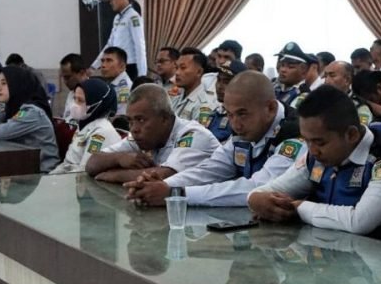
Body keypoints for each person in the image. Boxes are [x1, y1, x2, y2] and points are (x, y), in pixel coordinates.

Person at [247, 85, 381, 241]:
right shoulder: (316, 158)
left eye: (320, 142)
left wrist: (297, 207)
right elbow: (269, 190)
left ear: (351, 135)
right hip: (329, 254)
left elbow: (359, 222)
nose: (312, 150)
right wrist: (256, 199)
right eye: (307, 141)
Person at [124, 71, 303, 206]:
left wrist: (176, 193)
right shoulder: (245, 129)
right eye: (230, 114)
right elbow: (211, 169)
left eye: (242, 114)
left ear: (270, 108)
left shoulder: (295, 134)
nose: (235, 124)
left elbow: (258, 188)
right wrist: (159, 186)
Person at [85, 83, 219, 183]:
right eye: (130, 121)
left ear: (165, 118)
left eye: (141, 120)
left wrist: (114, 175)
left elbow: (165, 176)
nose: (134, 129)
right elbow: (91, 164)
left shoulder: (192, 134)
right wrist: (119, 158)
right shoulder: (142, 137)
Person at [50, 79, 121, 174]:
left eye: (80, 100)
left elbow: (85, 172)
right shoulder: (84, 125)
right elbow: (68, 163)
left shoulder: (102, 132)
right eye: (75, 98)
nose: (74, 104)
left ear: (96, 104)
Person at [89, 0, 147, 79]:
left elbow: (139, 45)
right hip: (117, 66)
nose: (110, 2)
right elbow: (110, 44)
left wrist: (142, 75)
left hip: (130, 66)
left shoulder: (133, 17)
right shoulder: (117, 18)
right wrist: (94, 66)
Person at [204, 59, 247, 143]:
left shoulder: (242, 119)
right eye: (218, 80)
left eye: (226, 82)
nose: (219, 86)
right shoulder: (216, 112)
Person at [171, 48, 217, 125]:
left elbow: (198, 131)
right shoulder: (176, 96)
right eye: (176, 68)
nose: (177, 73)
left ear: (199, 72)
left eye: (183, 68)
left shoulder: (204, 104)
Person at [323, 61, 374, 125]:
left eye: (332, 76)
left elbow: (361, 128)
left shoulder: (359, 107)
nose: (326, 81)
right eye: (325, 76)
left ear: (347, 80)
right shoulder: (319, 101)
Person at [273, 42, 310, 107]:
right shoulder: (275, 87)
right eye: (282, 65)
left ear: (303, 70)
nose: (283, 70)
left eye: (290, 67)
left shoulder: (303, 95)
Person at [100, 46, 132, 116]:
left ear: (122, 66)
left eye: (109, 61)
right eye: (102, 61)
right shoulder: (111, 84)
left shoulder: (124, 88)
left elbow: (120, 117)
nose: (103, 65)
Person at [59, 53, 89, 121]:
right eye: (63, 77)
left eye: (68, 77)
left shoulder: (94, 94)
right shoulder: (71, 93)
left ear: (82, 73)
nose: (65, 82)